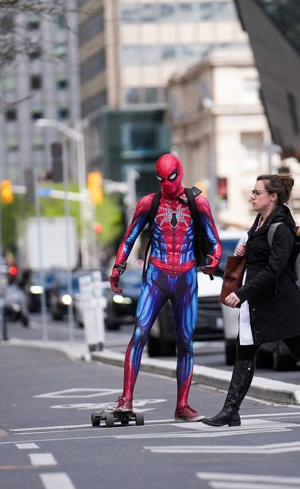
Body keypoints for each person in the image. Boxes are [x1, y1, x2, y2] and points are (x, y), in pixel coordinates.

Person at [203, 174, 300, 427]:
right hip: (261, 303)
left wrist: (241, 293)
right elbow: (261, 258)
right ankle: (231, 410)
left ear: (272, 197)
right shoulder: (260, 222)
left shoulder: (281, 226)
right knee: (245, 353)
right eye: (252, 192)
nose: (252, 196)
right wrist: (245, 250)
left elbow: (274, 269)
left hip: (281, 303)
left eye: (257, 192)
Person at [106, 154, 221, 421]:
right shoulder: (149, 203)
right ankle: (126, 399)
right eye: (161, 179)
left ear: (179, 173)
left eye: (171, 178)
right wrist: (117, 268)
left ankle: (182, 405)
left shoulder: (198, 203)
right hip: (157, 275)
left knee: (185, 342)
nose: (167, 184)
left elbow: (214, 239)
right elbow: (129, 238)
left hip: (186, 276)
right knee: (140, 334)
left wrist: (214, 260)